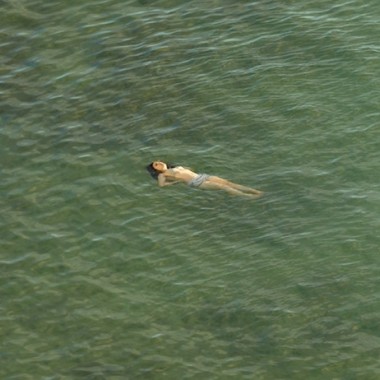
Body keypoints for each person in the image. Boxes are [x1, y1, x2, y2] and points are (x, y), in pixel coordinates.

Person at [146, 161, 263, 198]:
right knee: (223, 187)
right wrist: (176, 182)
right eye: (156, 164)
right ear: (156, 169)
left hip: (201, 175)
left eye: (159, 161)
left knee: (228, 182)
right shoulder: (163, 175)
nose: (159, 162)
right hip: (196, 182)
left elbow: (189, 169)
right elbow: (162, 185)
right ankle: (249, 197)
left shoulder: (174, 167)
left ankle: (255, 191)